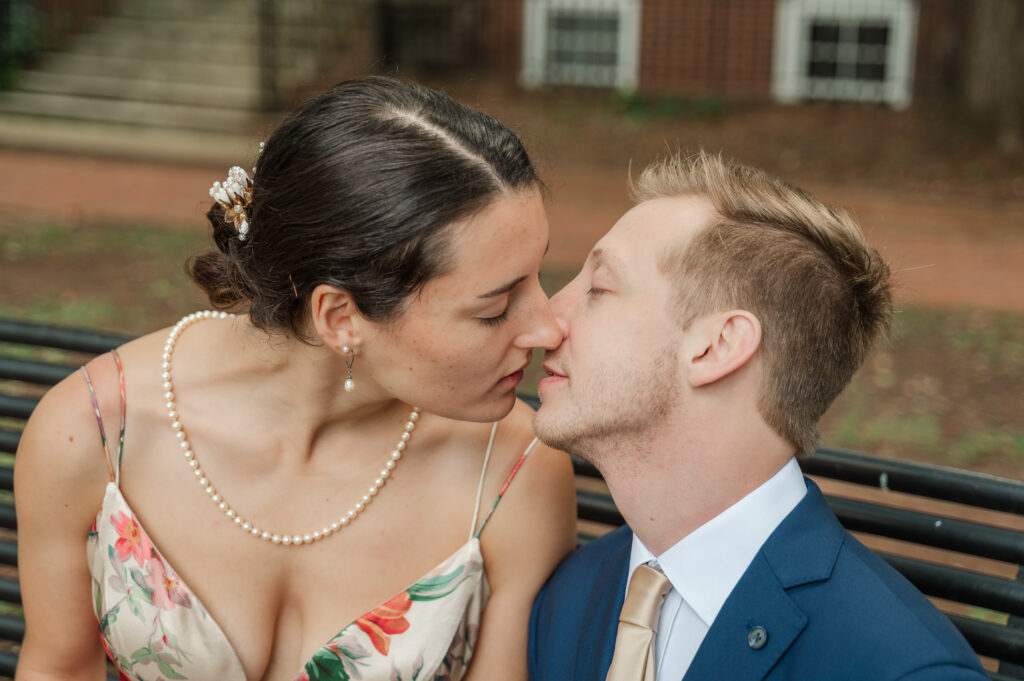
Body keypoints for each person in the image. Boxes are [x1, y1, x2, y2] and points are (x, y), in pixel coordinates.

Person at [15, 76, 577, 681]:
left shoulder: (517, 472)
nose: (548, 329)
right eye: (494, 308)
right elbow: (57, 668)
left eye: (537, 275)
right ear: (340, 317)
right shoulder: (94, 435)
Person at [527, 152, 987, 681]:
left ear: (717, 347)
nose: (546, 321)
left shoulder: (904, 670)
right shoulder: (569, 598)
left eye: (599, 289)